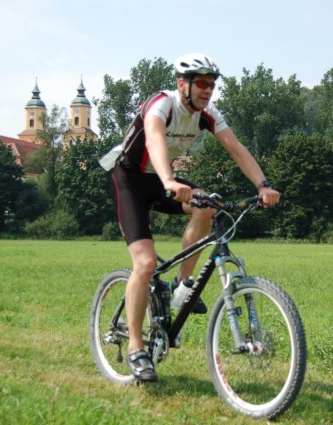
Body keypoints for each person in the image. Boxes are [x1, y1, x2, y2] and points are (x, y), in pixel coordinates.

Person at [106, 53, 280, 382]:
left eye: (212, 84)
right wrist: (170, 181)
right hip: (129, 180)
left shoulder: (207, 114)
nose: (208, 90)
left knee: (208, 206)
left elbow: (236, 149)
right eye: (201, 83)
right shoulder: (162, 105)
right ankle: (135, 347)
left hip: (163, 179)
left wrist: (263, 185)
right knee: (145, 263)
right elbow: (154, 139)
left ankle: (182, 284)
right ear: (182, 83)